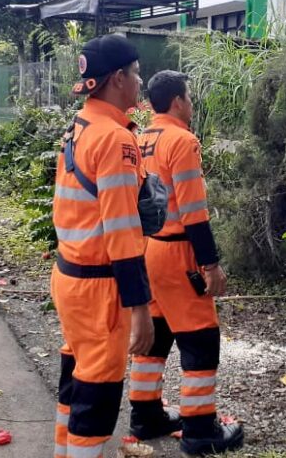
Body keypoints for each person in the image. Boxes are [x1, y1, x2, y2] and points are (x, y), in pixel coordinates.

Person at [127, 70, 244, 455]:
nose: (192, 105)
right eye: (190, 98)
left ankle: (145, 416)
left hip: (147, 250)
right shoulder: (183, 140)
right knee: (200, 338)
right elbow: (194, 211)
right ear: (178, 101)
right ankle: (199, 429)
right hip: (178, 253)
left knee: (156, 334)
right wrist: (210, 265)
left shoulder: (140, 138)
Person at [51, 35, 154, 458]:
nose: (140, 80)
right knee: (98, 395)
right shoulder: (115, 139)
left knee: (75, 380)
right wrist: (141, 309)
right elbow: (123, 229)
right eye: (135, 72)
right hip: (100, 290)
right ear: (117, 78)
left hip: (70, 277)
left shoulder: (80, 126)